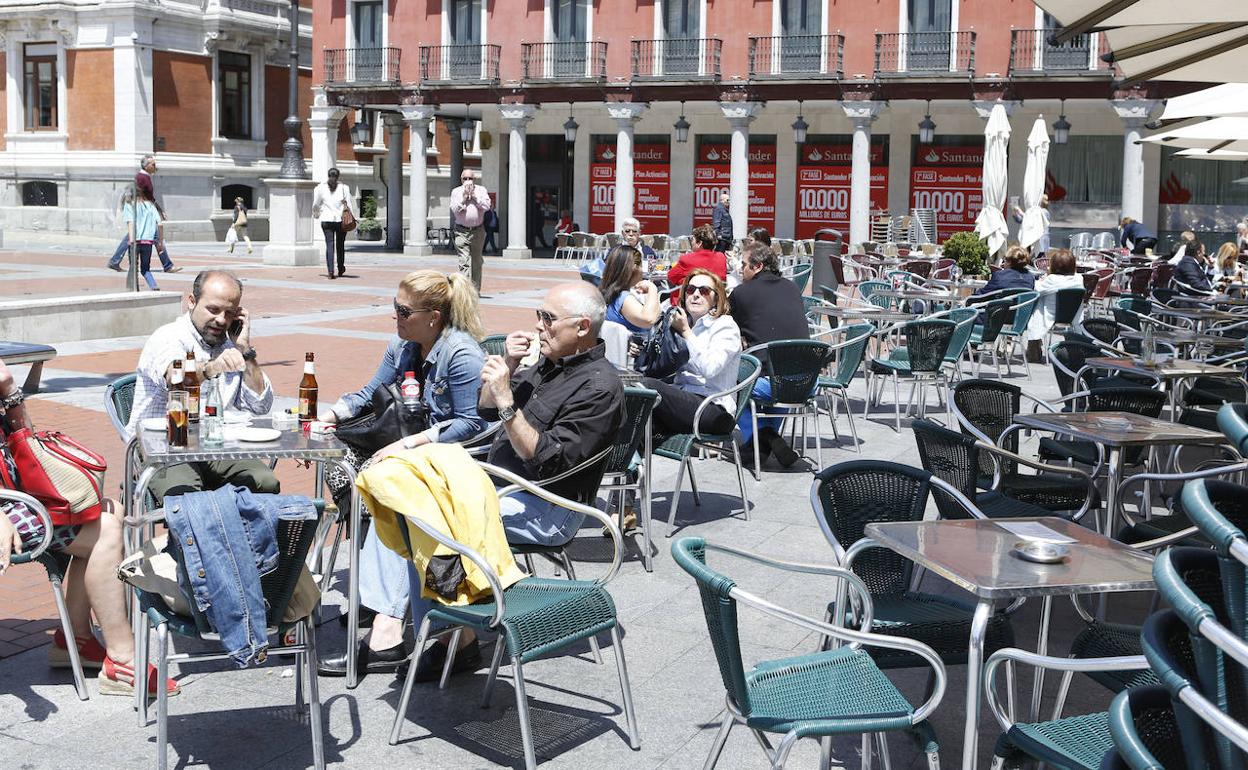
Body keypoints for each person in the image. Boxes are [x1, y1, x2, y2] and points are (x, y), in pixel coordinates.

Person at [408, 282, 624, 681]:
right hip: (503, 485)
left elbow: (548, 463)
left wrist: (508, 401)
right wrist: (505, 368)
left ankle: (453, 640)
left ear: (580, 327)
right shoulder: (548, 364)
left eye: (548, 319)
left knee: (430, 520)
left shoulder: (600, 386)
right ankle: (413, 621)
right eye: (538, 315)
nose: (539, 326)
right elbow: (486, 411)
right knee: (406, 495)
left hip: (548, 505)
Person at [317, 270, 488, 678]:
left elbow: (471, 424)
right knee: (345, 473)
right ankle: (377, 600)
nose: (394, 316)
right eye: (394, 306)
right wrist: (331, 415)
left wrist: (412, 444)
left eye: (402, 310)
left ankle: (387, 627)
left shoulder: (460, 353)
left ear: (433, 316)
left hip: (454, 462)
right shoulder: (402, 345)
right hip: (406, 458)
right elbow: (368, 394)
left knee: (391, 496)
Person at [0, 358, 179, 697]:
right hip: (5, 507)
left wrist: (10, 390)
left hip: (12, 495)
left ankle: (77, 639)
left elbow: (25, 437)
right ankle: (121, 657)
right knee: (107, 531)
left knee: (110, 510)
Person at [126, 270, 279, 500]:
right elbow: (174, 378)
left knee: (264, 482)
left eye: (229, 313)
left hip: (216, 445)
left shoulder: (230, 346)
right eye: (213, 309)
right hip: (164, 445)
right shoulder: (169, 337)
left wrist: (245, 350)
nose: (221, 320)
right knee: (187, 496)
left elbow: (261, 405)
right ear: (191, 302)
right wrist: (211, 368)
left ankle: (243, 535)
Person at [729, 244, 807, 468]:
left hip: (773, 383)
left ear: (758, 266)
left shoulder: (742, 293)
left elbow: (729, 327)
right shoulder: (792, 288)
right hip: (806, 383)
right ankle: (768, 438)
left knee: (731, 381)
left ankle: (762, 436)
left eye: (743, 265)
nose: (740, 269)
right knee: (779, 374)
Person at [642, 269, 742, 441]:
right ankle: (629, 465)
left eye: (703, 291)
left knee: (647, 387)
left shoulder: (725, 326)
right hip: (682, 402)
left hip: (714, 408)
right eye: (690, 290)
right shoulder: (683, 322)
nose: (695, 295)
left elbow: (710, 369)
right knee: (634, 419)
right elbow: (661, 367)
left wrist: (687, 333)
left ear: (716, 298)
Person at [108, 155, 179, 274]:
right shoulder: (142, 178)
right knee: (143, 235)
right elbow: (141, 196)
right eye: (153, 164)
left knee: (136, 235)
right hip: (142, 212)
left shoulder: (143, 177)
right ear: (146, 166)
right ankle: (167, 265)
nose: (155, 167)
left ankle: (115, 260)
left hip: (143, 211)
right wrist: (158, 210)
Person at [1024, 249, 1086, 361]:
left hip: (1051, 316)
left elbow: (1036, 290)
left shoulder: (1051, 279)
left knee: (1038, 304)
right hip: (1072, 316)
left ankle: (1034, 347)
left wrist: (1043, 279)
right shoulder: (1079, 279)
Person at [599, 244, 661, 334]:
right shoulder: (623, 298)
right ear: (633, 269)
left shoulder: (608, 293)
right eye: (641, 265)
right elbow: (648, 320)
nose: (642, 270)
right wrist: (652, 288)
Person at [312, 167, 357, 280]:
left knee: (329, 245)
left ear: (328, 176)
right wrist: (352, 217)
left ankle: (330, 270)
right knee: (340, 245)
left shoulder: (321, 188)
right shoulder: (344, 188)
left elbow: (316, 204)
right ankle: (341, 268)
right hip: (340, 221)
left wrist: (317, 215)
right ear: (338, 177)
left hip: (326, 220)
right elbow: (349, 205)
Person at [667, 224, 728, 304]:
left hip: (690, 302)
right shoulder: (721, 257)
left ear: (699, 243)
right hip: (715, 301)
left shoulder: (687, 259)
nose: (691, 243)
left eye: (693, 240)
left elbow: (671, 277)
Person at [451, 170, 492, 290]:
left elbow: (487, 206)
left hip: (478, 231)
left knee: (476, 262)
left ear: (474, 179)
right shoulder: (456, 191)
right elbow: (454, 209)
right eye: (465, 179)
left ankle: (475, 290)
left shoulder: (481, 190)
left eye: (470, 178)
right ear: (461, 179)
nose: (468, 181)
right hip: (461, 231)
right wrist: (463, 199)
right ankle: (465, 290)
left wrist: (475, 197)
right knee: (464, 261)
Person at [125, 184, 163, 291]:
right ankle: (153, 285)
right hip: (148, 242)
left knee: (133, 268)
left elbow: (131, 223)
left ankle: (134, 289)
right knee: (145, 269)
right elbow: (160, 224)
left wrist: (131, 241)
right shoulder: (150, 206)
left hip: (135, 241)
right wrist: (160, 242)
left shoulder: (129, 206)